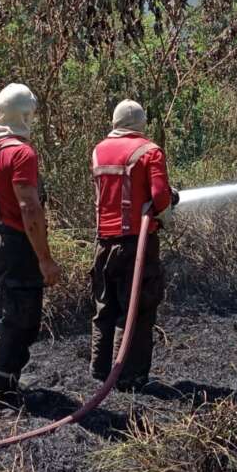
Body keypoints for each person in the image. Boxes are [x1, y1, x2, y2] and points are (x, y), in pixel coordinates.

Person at [0, 83, 62, 411]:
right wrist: (45, 259)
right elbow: (30, 209)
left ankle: (1, 383)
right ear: (25, 115)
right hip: (16, 245)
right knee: (18, 316)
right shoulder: (21, 152)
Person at [89, 100, 179, 391]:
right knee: (136, 310)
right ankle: (128, 377)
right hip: (136, 246)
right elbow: (160, 197)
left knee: (106, 307)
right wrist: (167, 210)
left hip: (103, 245)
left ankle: (101, 371)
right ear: (141, 124)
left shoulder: (99, 150)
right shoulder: (150, 151)